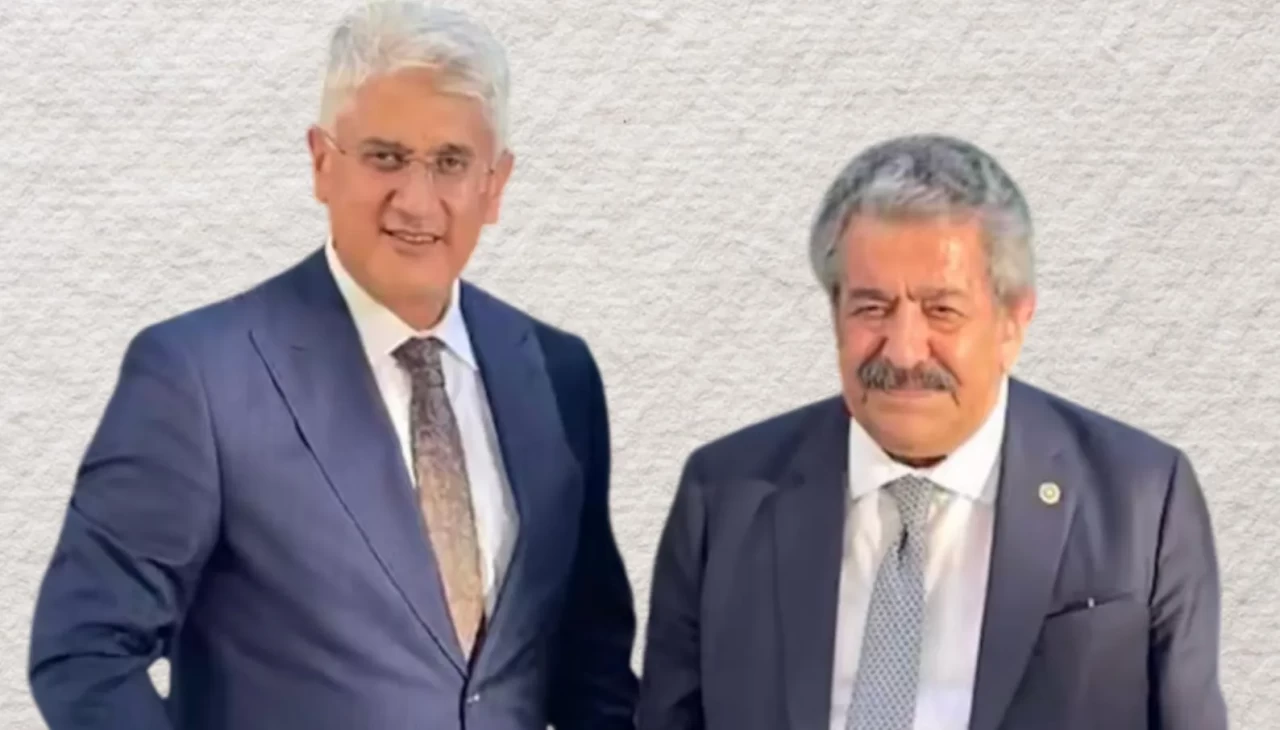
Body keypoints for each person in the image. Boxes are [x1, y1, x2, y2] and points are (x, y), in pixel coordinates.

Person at [27, 3, 638, 728]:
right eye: (386, 157)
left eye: (450, 162)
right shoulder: (198, 377)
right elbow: (86, 652)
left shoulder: (558, 376)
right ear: (322, 162)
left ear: (494, 184)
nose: (417, 201)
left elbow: (591, 671)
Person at [635, 134, 1228, 730]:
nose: (904, 351)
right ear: (835, 315)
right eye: (871, 308)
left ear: (1013, 322)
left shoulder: (1141, 500)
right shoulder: (724, 497)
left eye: (942, 310)